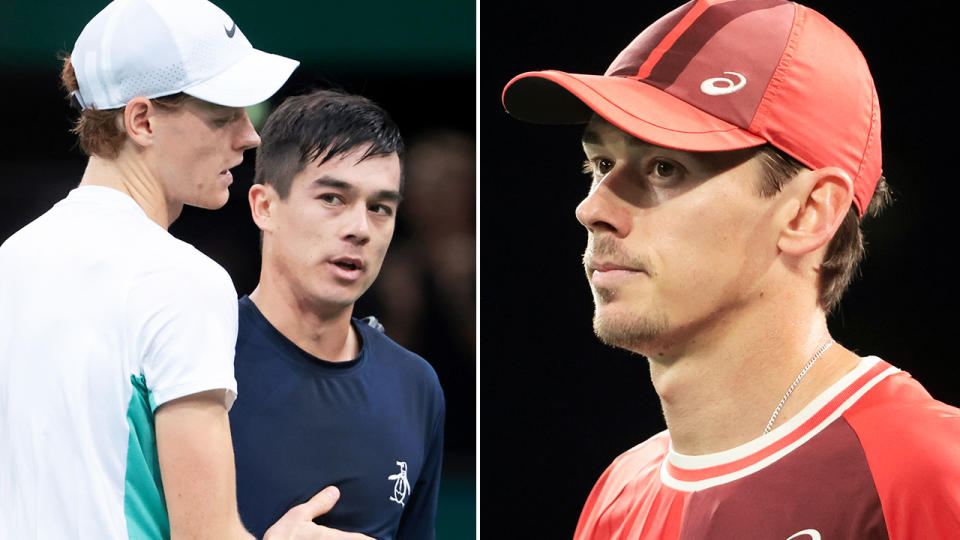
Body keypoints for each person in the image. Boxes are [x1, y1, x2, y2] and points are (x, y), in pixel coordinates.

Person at [502, 0, 960, 538]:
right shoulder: (617, 497)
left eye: (664, 168)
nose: (592, 208)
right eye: (600, 165)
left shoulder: (928, 469)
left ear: (808, 213)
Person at [0, 1, 365, 538]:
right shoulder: (181, 280)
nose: (250, 136)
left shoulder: (12, 260)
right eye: (223, 117)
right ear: (141, 120)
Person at [228, 89, 445, 540]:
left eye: (380, 208)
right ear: (264, 206)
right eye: (332, 198)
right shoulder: (196, 357)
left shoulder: (416, 386)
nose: (360, 229)